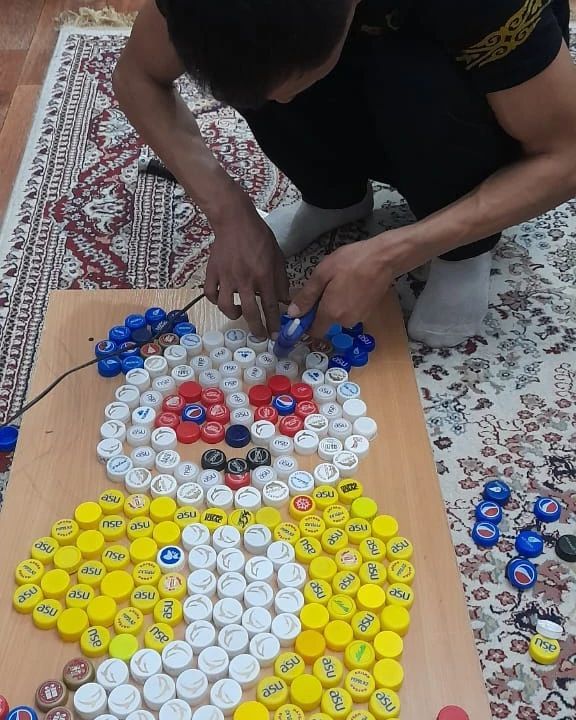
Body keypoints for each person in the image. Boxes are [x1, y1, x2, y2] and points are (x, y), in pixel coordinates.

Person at [113, 0, 576, 346]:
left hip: (460, 78)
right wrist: (228, 212)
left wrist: (398, 251)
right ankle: (334, 197)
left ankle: (464, 251)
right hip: (347, 50)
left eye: (296, 83)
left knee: (415, 78)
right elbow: (137, 75)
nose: (282, 106)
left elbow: (565, 156)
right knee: (262, 78)